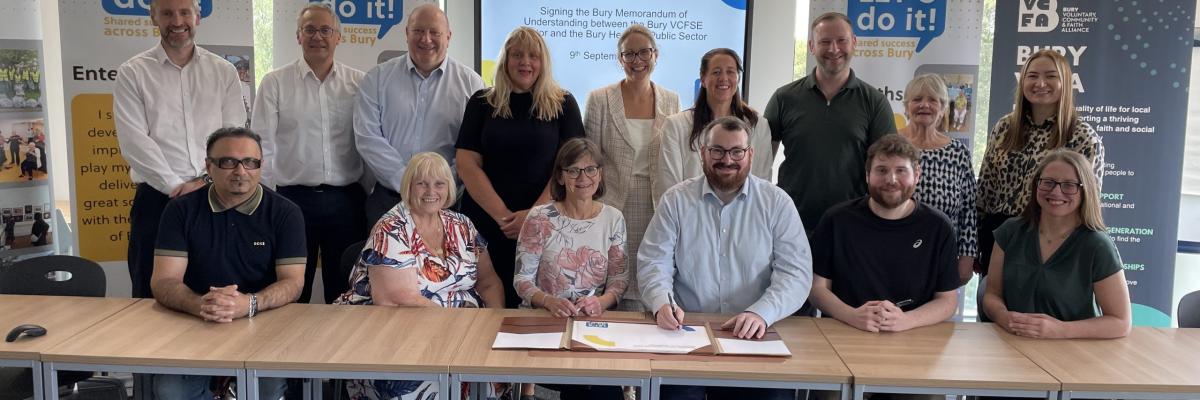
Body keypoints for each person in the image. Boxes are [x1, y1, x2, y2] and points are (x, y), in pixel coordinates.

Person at [639, 117, 811, 400]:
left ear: (750, 155)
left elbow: (795, 274)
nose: (727, 160)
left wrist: (761, 313)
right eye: (717, 151)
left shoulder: (777, 203)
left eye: (736, 152)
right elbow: (653, 262)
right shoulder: (676, 201)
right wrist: (661, 303)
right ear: (704, 153)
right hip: (686, 335)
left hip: (756, 336)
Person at [150, 127, 305, 399]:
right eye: (228, 162)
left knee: (267, 392)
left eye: (250, 162)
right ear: (208, 166)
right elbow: (163, 281)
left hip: (264, 322)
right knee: (170, 391)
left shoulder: (285, 213)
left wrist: (249, 304)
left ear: (261, 166)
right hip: (194, 320)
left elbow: (293, 282)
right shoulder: (180, 210)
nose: (240, 171)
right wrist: (200, 305)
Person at [335, 152, 505, 399]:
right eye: (422, 183)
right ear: (408, 187)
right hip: (399, 334)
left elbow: (488, 281)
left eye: (439, 183)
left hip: (464, 330)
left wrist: (493, 323)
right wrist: (460, 331)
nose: (430, 191)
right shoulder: (391, 227)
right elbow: (398, 300)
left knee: (493, 375)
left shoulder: (462, 224)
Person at [115, 0, 247, 298]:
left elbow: (234, 137)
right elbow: (134, 140)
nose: (177, 21)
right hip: (157, 200)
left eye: (185, 12)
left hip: (215, 197)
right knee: (150, 291)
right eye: (167, 13)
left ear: (197, 17)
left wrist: (205, 182)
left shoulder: (223, 71)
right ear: (153, 18)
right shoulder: (133, 72)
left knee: (215, 289)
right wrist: (176, 187)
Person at [457, 26, 585, 308]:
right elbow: (467, 164)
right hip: (486, 223)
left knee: (539, 305)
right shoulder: (481, 103)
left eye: (533, 56)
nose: (525, 62)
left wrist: (533, 215)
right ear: (505, 60)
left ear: (543, 62)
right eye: (517, 55)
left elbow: (571, 166)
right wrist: (503, 216)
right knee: (485, 302)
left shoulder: (563, 104)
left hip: (546, 223)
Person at [252, 4, 367, 304]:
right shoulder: (275, 82)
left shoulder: (359, 84)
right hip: (292, 201)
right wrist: (268, 200)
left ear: (338, 37)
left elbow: (367, 141)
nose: (318, 36)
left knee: (345, 291)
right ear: (298, 36)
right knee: (291, 291)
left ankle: (340, 351)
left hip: (346, 201)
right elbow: (262, 145)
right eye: (310, 30)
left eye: (325, 30)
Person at [977, 50, 1105, 307]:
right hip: (999, 236)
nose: (1040, 83)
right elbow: (985, 188)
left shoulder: (1083, 137)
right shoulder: (1004, 128)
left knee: (1045, 318)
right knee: (996, 317)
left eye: (1050, 76)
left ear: (1065, 83)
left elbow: (1088, 200)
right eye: (1032, 76)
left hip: (1053, 237)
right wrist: (976, 242)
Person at [809, 134, 960, 335]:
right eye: (881, 170)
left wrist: (906, 320)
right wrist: (852, 315)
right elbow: (817, 288)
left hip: (913, 335)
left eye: (901, 171)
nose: (891, 180)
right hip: (846, 331)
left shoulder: (938, 227)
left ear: (917, 175)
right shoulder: (836, 220)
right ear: (867, 175)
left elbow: (948, 300)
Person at [513, 138, 626, 400]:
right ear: (561, 177)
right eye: (573, 170)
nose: (582, 177)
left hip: (592, 325)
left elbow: (619, 281)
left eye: (590, 169)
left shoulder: (613, 219)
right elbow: (522, 280)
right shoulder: (540, 217)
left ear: (600, 174)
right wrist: (549, 301)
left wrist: (600, 302)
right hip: (544, 321)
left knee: (601, 392)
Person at [765, 12, 896, 233]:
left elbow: (886, 168)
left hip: (853, 226)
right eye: (825, 41)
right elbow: (759, 159)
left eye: (841, 40)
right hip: (790, 223)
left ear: (854, 43)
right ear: (811, 46)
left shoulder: (874, 102)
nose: (834, 49)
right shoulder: (784, 98)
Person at [355, 4, 484, 226]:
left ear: (448, 36)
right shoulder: (376, 79)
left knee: (443, 261)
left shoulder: (471, 84)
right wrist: (407, 182)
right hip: (389, 200)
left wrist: (439, 187)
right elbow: (368, 138)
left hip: (447, 204)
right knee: (382, 261)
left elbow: (474, 147)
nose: (426, 39)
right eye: (418, 31)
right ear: (407, 33)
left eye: (435, 32)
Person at [982, 150, 1130, 339]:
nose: (1056, 191)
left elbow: (1121, 322)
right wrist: (1004, 318)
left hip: (1074, 352)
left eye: (1069, 185)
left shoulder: (1097, 245)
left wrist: (1060, 330)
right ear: (1036, 185)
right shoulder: (1010, 232)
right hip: (1014, 343)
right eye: (1048, 182)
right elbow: (992, 294)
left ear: (1085, 191)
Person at [583, 24, 679, 312]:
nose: (637, 60)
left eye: (644, 52)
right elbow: (590, 156)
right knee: (606, 274)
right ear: (619, 59)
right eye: (629, 54)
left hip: (653, 202)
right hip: (610, 201)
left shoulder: (671, 100)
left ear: (656, 55)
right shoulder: (599, 99)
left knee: (645, 277)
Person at [655, 48, 772, 205]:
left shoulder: (758, 125)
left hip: (743, 221)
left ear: (738, 78)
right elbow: (669, 188)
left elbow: (762, 183)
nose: (723, 78)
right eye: (716, 72)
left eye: (730, 72)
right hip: (691, 220)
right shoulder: (676, 126)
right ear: (703, 79)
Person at [897, 74, 976, 286]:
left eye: (933, 100)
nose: (925, 105)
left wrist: (967, 257)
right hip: (893, 251)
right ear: (906, 107)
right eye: (917, 99)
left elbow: (969, 209)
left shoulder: (958, 152)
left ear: (943, 108)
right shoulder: (890, 145)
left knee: (938, 316)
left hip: (943, 255)